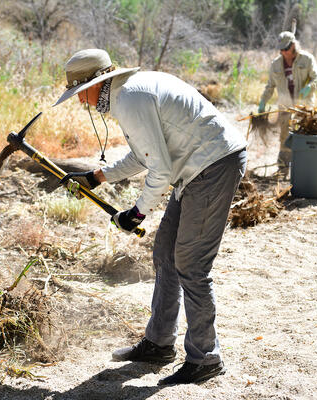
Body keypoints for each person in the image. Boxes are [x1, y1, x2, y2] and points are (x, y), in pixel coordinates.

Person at [54, 49, 247, 385]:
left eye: (78, 93)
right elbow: (145, 155)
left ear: (93, 83)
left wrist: (137, 212)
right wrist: (98, 177)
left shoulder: (130, 98)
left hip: (213, 165)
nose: (80, 102)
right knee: (165, 255)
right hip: (196, 167)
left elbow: (159, 169)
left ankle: (206, 357)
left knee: (190, 262)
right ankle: (159, 344)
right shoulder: (129, 91)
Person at [258, 31, 317, 173]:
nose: (283, 52)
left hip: (304, 106)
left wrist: (308, 88)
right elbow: (270, 86)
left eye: (286, 49)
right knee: (285, 137)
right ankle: (283, 169)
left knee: (304, 135)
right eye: (281, 49)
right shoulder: (275, 64)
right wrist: (262, 102)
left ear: (293, 46)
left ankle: (304, 169)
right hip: (285, 106)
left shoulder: (307, 59)